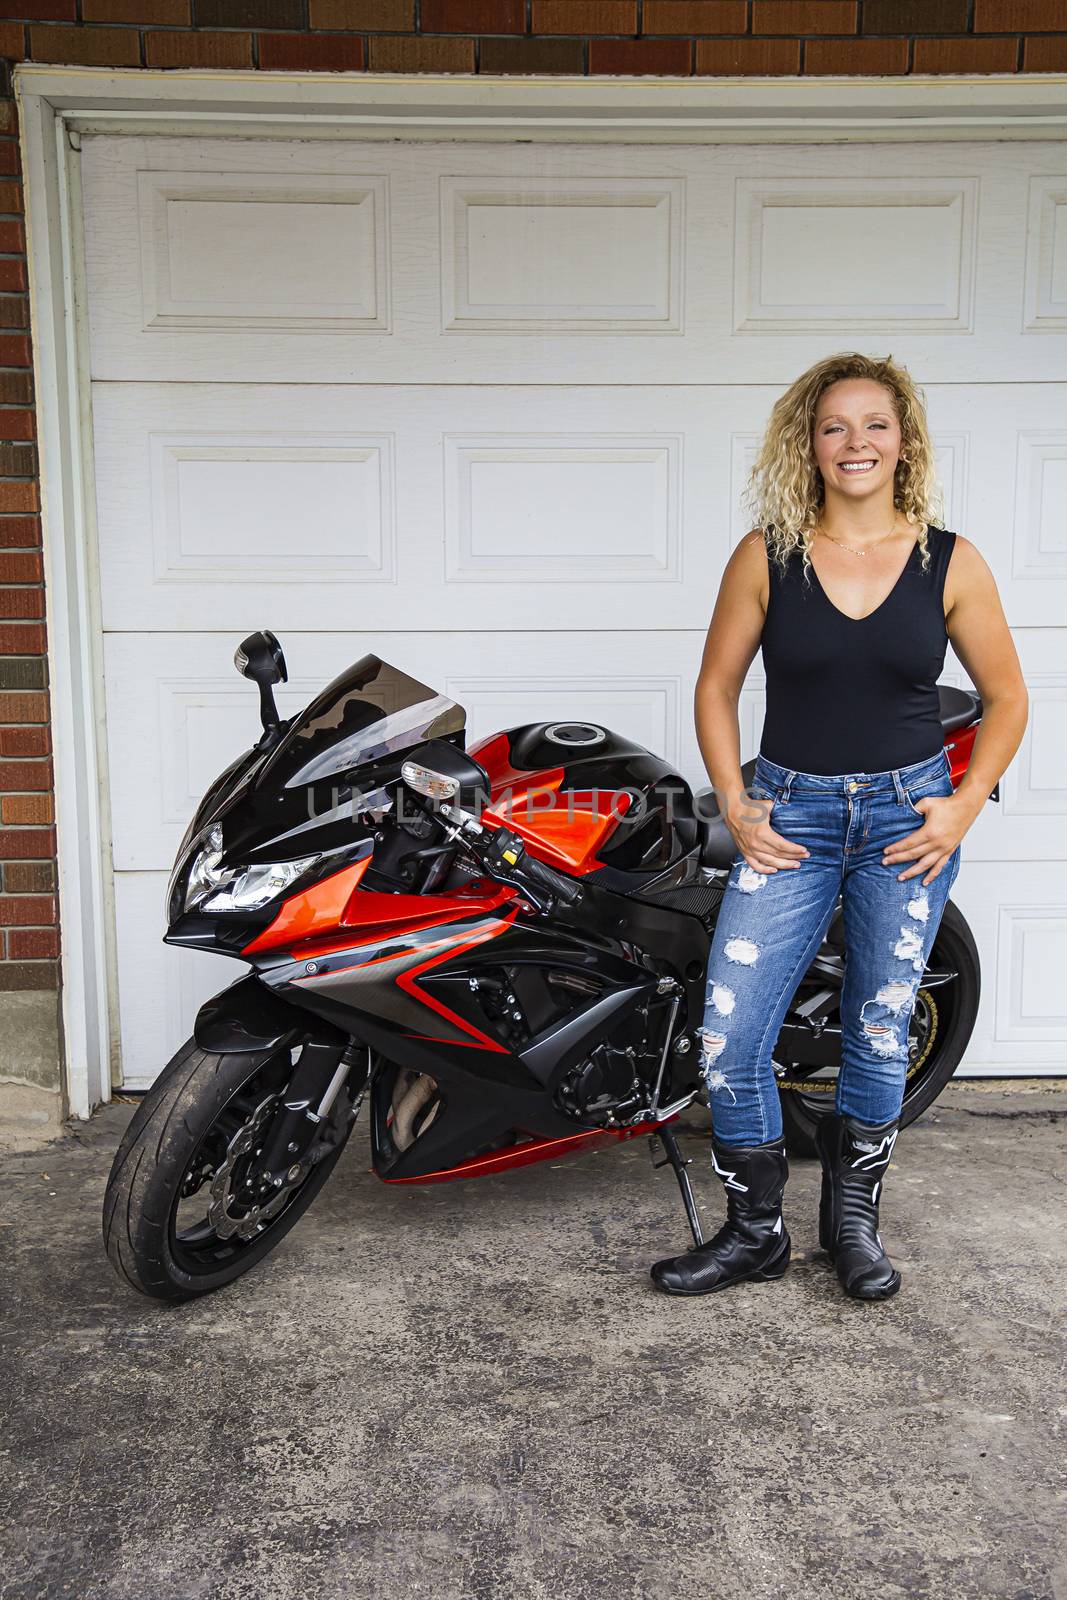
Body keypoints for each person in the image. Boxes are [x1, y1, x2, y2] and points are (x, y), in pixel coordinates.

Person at [650, 352, 1028, 1303]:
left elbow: (1008, 696)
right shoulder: (766, 554)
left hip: (905, 820)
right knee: (729, 1036)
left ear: (903, 442)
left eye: (873, 424)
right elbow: (715, 686)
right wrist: (735, 798)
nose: (854, 442)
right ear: (806, 445)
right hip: (795, 815)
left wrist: (963, 801)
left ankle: (850, 1227)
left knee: (877, 1023)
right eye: (833, 427)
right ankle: (754, 1233)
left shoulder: (950, 559)